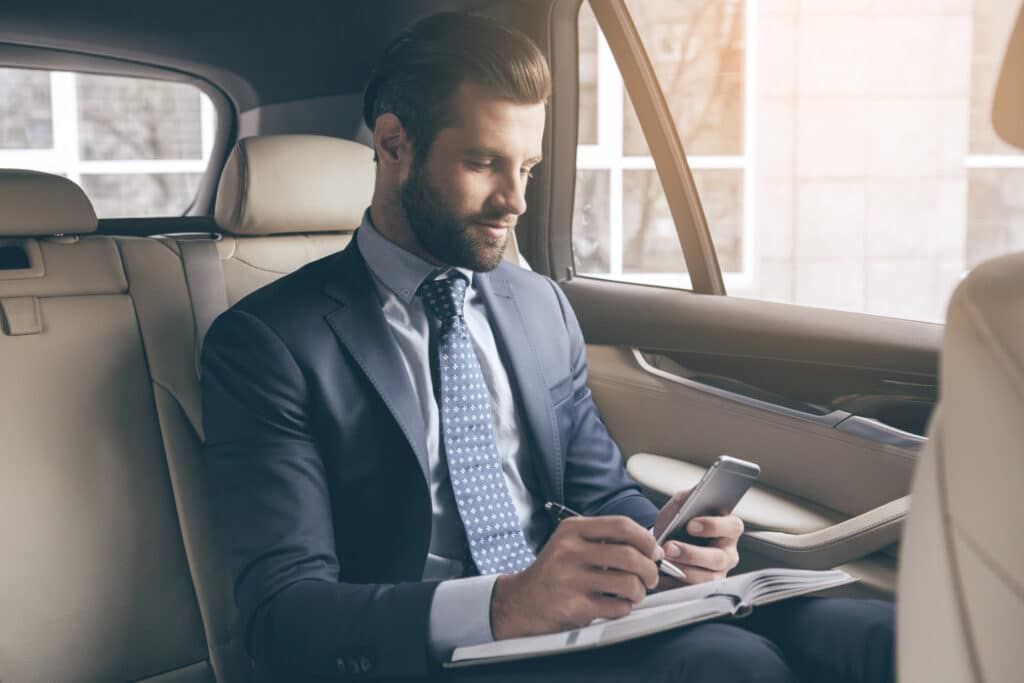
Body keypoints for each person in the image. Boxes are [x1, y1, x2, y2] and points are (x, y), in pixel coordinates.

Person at [201, 12, 894, 683]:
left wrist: (664, 547)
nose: (516, 201)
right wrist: (506, 605)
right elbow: (282, 614)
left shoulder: (538, 306)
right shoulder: (267, 344)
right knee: (730, 665)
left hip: (581, 619)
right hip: (433, 651)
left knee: (871, 633)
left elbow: (602, 493)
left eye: (527, 168)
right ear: (392, 145)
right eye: (483, 163)